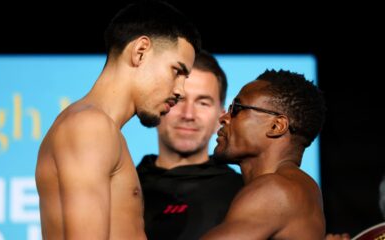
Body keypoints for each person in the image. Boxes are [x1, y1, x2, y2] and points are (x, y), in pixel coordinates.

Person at [35, 1, 201, 239]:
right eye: (177, 71)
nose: (181, 91)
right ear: (140, 51)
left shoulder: (99, 127)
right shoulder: (89, 126)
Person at [202, 69, 327, 239]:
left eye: (237, 109)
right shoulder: (303, 188)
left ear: (276, 126)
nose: (223, 118)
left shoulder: (276, 191)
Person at [137, 50, 243, 240]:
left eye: (203, 103)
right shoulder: (124, 186)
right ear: (157, 107)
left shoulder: (243, 194)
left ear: (222, 115)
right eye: (177, 100)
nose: (188, 114)